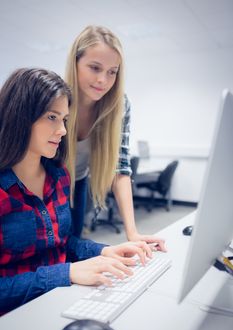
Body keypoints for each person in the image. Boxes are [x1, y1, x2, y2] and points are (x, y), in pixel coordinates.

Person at [0, 68, 158, 316]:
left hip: (61, 298)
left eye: (64, 119)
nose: (63, 131)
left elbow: (63, 243)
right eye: (52, 117)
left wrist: (103, 251)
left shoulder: (59, 175)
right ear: (20, 116)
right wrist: (66, 273)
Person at [65, 25, 166, 247]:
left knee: (72, 242)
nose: (103, 79)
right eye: (94, 67)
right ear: (75, 63)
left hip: (80, 181)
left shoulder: (119, 105)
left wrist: (133, 232)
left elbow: (119, 168)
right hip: (47, 182)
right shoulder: (56, 97)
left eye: (112, 71)